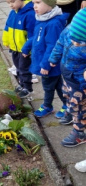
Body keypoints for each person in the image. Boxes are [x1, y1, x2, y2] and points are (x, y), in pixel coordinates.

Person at [21, 0, 68, 118]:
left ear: (50, 3)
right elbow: (36, 37)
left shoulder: (53, 23)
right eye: (33, 2)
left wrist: (46, 64)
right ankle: (67, 105)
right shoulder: (42, 18)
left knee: (48, 87)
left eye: (38, 2)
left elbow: (53, 46)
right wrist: (26, 47)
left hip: (49, 64)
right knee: (58, 85)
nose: (34, 6)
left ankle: (48, 106)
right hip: (45, 63)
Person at [48, 8, 86, 148]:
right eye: (73, 39)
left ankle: (79, 133)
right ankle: (70, 111)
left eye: (81, 43)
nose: (76, 43)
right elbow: (60, 44)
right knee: (67, 95)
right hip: (67, 75)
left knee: (80, 107)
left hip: (81, 83)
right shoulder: (69, 30)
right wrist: (53, 58)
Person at [2, 0, 36, 98]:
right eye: (8, 3)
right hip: (15, 48)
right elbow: (7, 28)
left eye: (13, 1)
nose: (10, 5)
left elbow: (33, 34)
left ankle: (28, 88)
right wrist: (6, 41)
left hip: (24, 49)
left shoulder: (29, 14)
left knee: (24, 68)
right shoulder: (13, 13)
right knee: (17, 67)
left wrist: (27, 49)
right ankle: (21, 85)